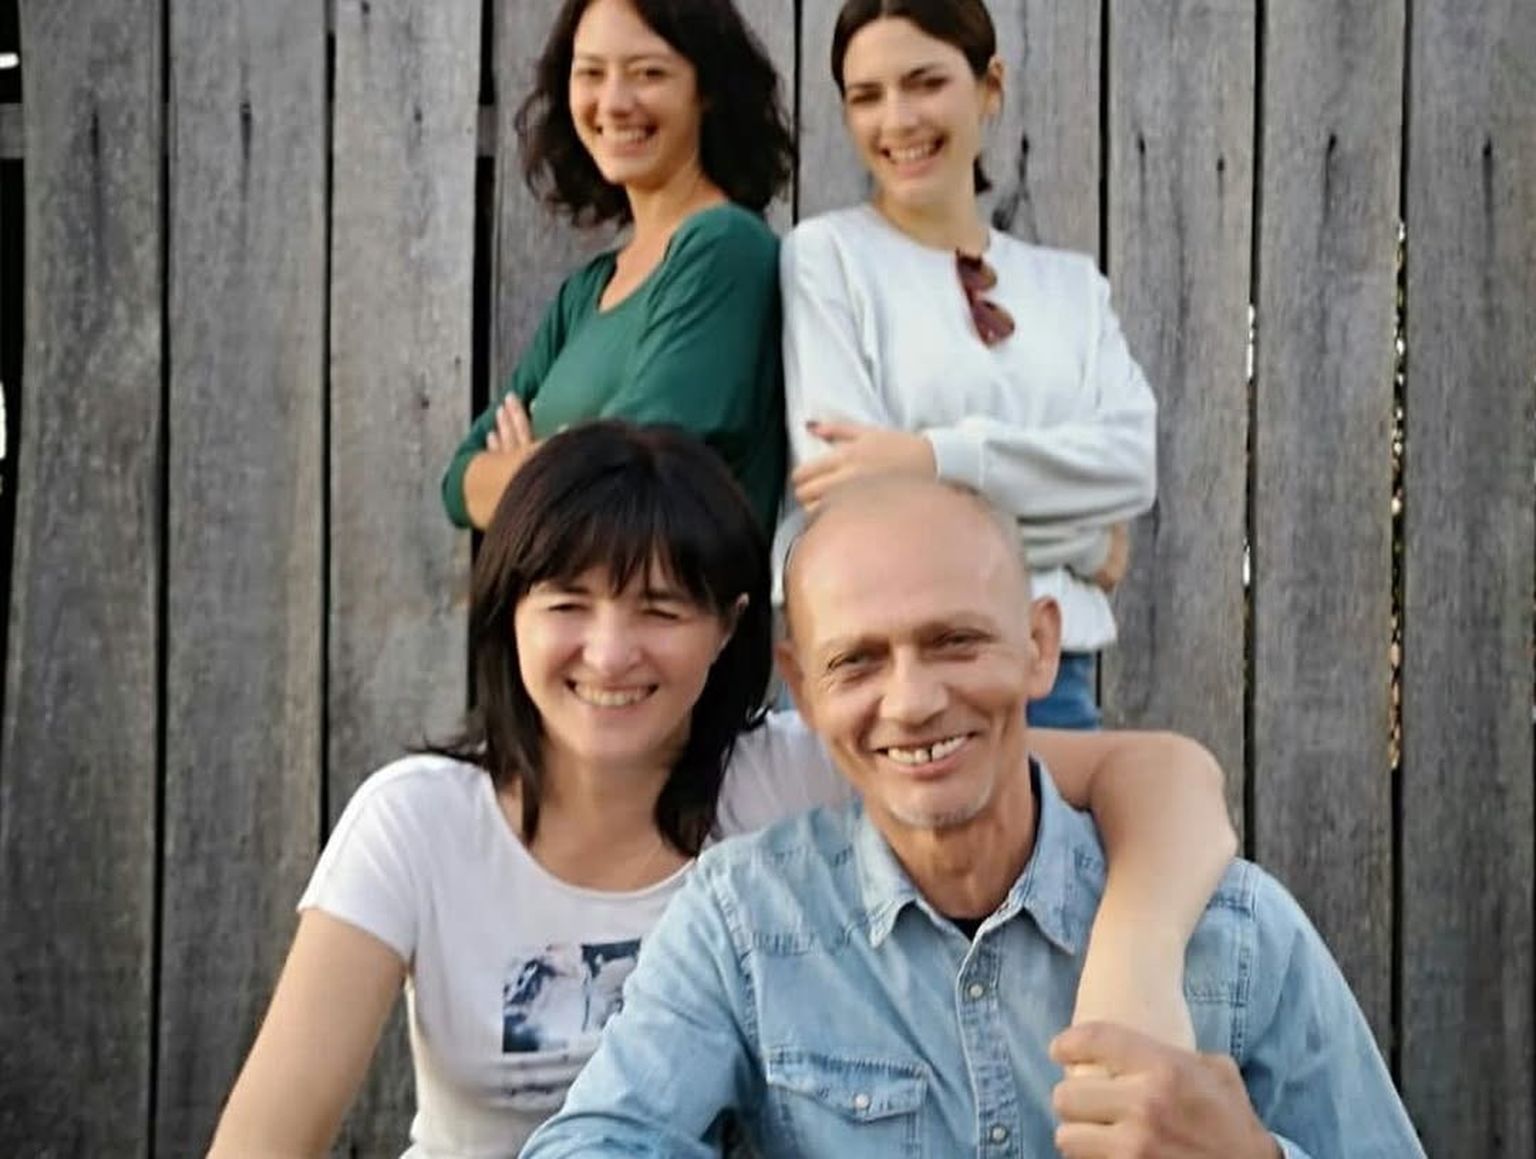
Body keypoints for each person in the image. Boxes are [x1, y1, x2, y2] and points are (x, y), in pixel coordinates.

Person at [210, 422, 1237, 1156]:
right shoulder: (419, 821)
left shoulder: (801, 772)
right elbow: (264, 1138)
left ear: (731, 629)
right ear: (506, 614)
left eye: (661, 609)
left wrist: (1134, 962)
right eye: (567, 604)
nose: (610, 651)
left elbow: (1165, 771)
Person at [524, 475, 1425, 1159]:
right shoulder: (744, 920)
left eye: (955, 640)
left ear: (1039, 646)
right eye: (857, 661)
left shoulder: (1239, 934)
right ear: (803, 685)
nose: (912, 700)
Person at [776, 0, 1156, 728]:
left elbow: (1131, 465)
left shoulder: (1071, 288)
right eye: (867, 96)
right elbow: (851, 501)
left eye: (926, 83)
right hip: (898, 673)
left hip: (1053, 673)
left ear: (990, 87)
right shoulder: (828, 259)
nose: (898, 120)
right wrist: (1081, 541)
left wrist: (927, 458)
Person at [441, 0, 793, 533]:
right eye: (591, 73)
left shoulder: (725, 249)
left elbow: (622, 479)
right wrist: (562, 467)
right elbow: (457, 483)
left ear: (708, 89)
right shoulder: (587, 292)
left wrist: (530, 466)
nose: (614, 102)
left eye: (648, 73)